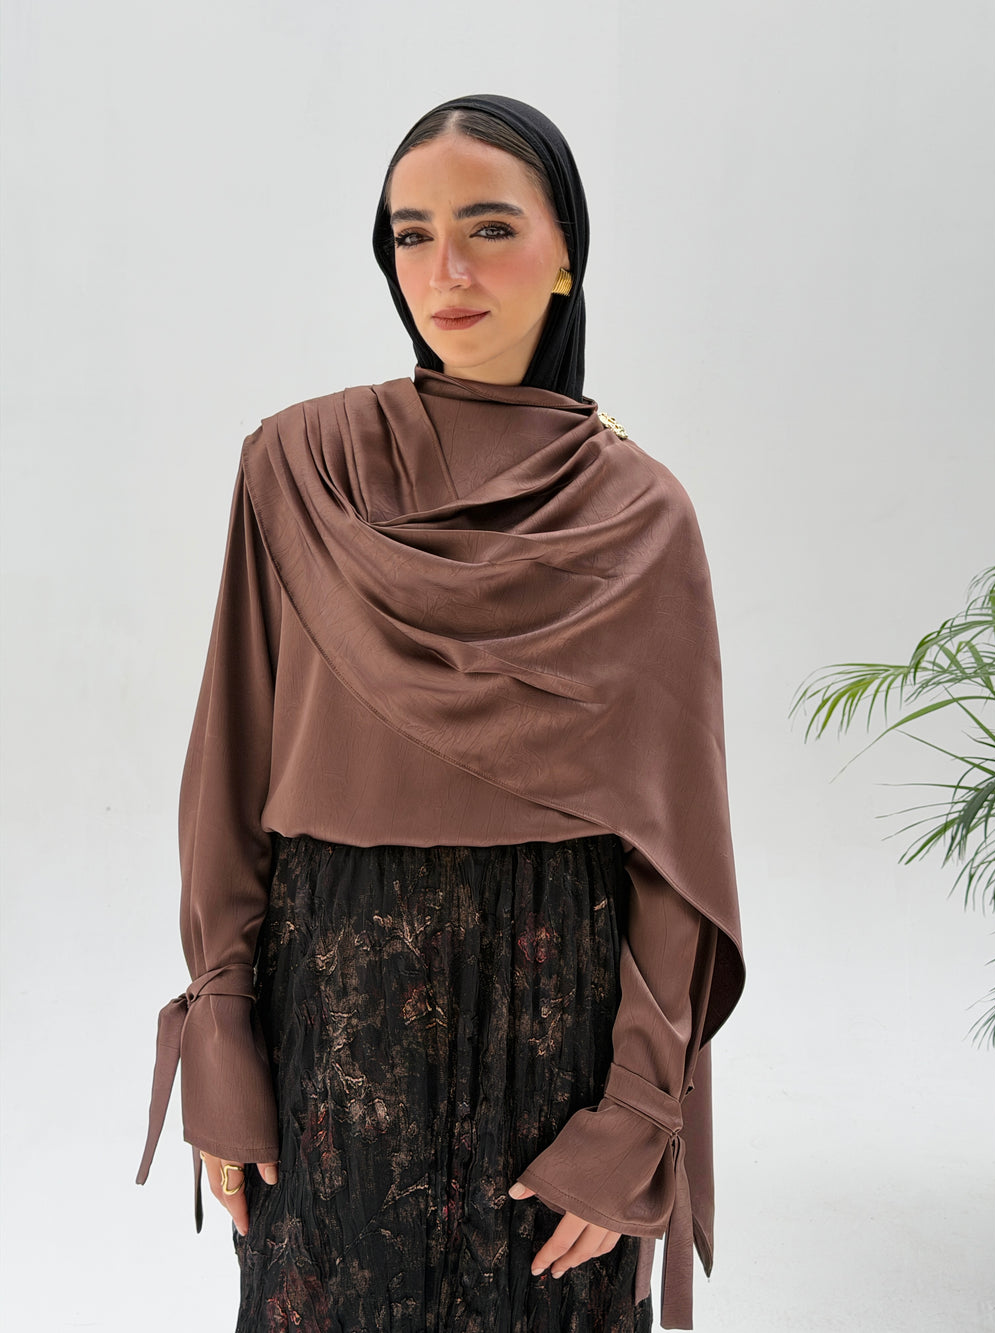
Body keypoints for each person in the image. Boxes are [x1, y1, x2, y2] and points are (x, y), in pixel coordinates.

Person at [136, 93, 744, 1332]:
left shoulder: (639, 517)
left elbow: (673, 858)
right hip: (330, 1012)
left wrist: (637, 1109)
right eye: (412, 234)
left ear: (566, 253)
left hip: (556, 1033)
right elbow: (230, 767)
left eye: (488, 228)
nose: (446, 271)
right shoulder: (299, 469)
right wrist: (222, 1032)